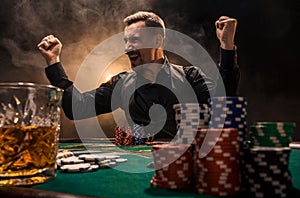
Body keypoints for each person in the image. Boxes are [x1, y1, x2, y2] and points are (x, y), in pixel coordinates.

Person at [37, 11, 240, 139]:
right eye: (126, 41)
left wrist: (226, 45)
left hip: (183, 163)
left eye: (134, 40)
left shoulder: (190, 76)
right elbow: (77, 108)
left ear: (158, 41)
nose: (127, 48)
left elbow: (223, 100)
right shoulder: (121, 82)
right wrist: (53, 62)